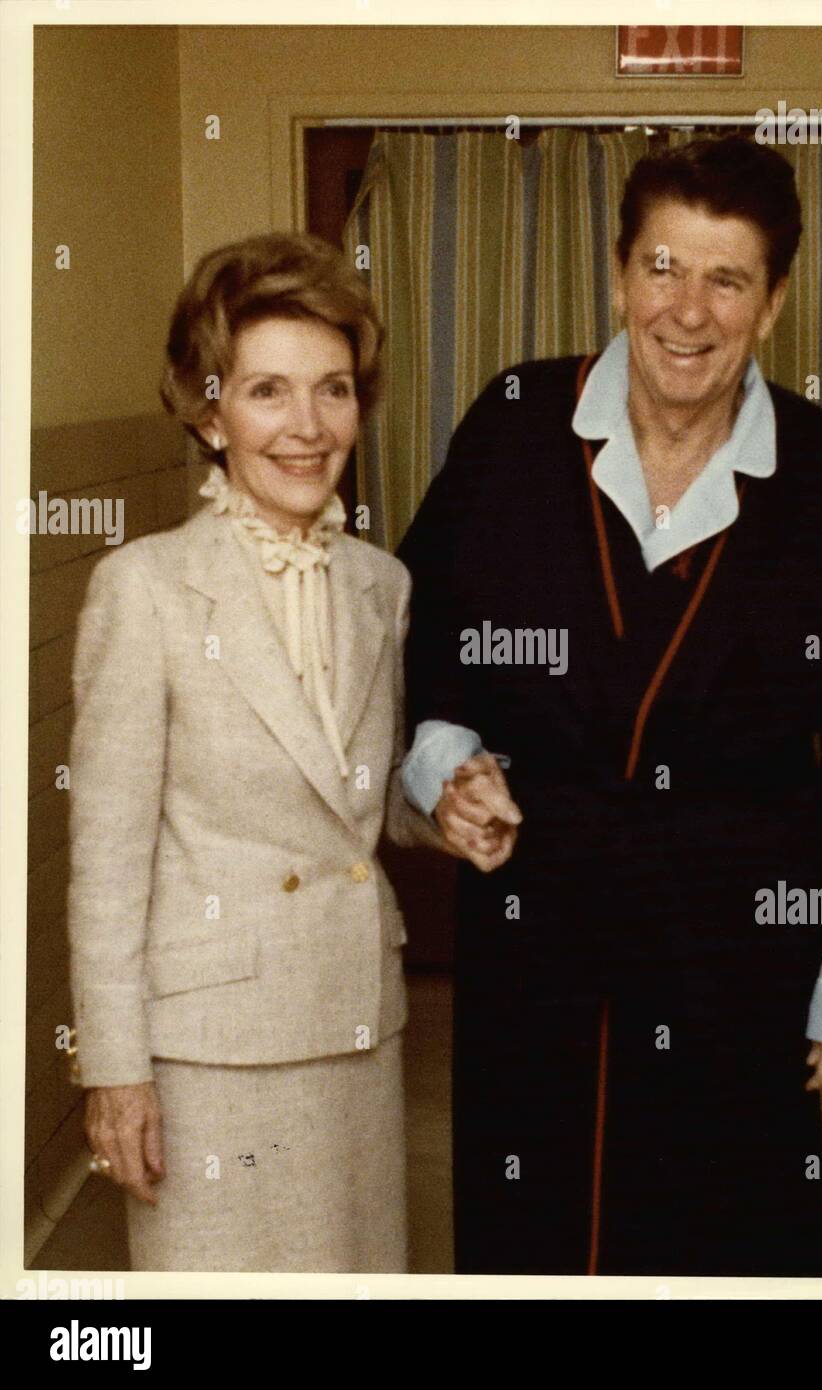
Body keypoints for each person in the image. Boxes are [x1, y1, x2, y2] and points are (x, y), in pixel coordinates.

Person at [397, 137, 822, 1276]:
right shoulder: (516, 423)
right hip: (539, 932)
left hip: (738, 948)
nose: (686, 309)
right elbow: (426, 651)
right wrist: (445, 767)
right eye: (663, 267)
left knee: (732, 1236)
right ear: (618, 270)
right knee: (531, 1227)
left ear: (771, 304)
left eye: (727, 279)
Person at [66, 232, 441, 1273]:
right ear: (206, 408)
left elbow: (358, 803)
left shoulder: (380, 585)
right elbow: (106, 860)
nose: (307, 426)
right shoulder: (144, 588)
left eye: (333, 390)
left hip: (354, 1025)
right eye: (267, 390)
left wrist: (444, 805)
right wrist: (116, 1072)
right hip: (210, 1052)